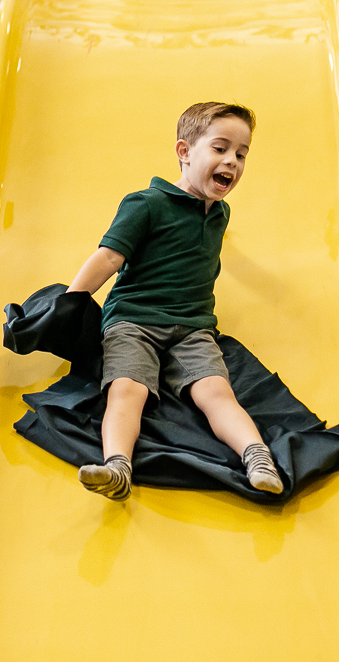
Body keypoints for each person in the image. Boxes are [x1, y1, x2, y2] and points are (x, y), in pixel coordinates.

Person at [65, 101, 283, 501]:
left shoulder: (219, 213)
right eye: (220, 149)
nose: (232, 162)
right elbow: (109, 257)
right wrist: (69, 303)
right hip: (133, 319)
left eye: (241, 154)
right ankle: (117, 466)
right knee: (128, 389)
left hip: (193, 326)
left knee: (216, 393)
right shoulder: (146, 204)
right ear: (184, 152)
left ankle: (257, 457)